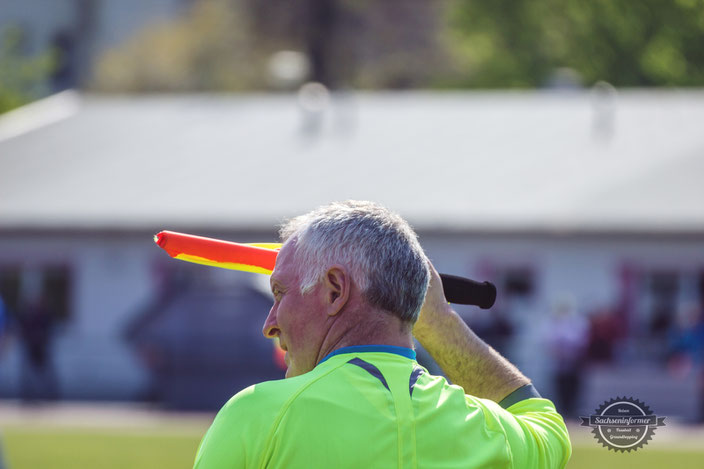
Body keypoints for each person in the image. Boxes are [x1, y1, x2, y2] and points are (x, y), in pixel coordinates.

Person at [193, 201, 571, 468]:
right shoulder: (488, 431)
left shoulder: (258, 416)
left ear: (336, 290)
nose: (270, 322)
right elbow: (546, 427)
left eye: (280, 294)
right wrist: (440, 321)